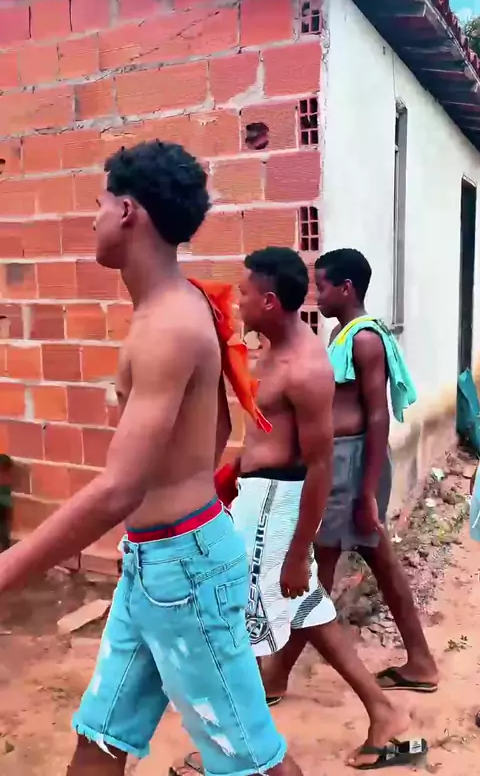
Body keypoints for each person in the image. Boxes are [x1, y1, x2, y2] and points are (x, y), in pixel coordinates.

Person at [0, 142, 302, 776]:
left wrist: (7, 569)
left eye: (100, 203)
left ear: (128, 211)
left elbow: (118, 488)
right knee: (101, 737)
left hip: (183, 570)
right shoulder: (181, 307)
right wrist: (171, 505)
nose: (94, 219)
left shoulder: (168, 325)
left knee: (253, 764)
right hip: (160, 562)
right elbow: (216, 428)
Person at [184, 247, 426, 771]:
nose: (240, 302)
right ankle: (383, 712)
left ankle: (236, 746)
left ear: (270, 301)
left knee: (241, 621)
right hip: (259, 496)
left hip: (275, 505)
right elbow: (265, 427)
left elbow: (320, 464)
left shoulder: (307, 367)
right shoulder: (274, 350)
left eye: (245, 294)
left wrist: (297, 554)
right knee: (307, 610)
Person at [267, 248, 438, 699]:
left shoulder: (364, 340)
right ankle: (420, 660)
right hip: (343, 465)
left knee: (318, 568)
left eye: (322, 286)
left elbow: (377, 417)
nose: (316, 295)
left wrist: (365, 493)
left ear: (346, 288)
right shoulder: (342, 335)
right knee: (373, 559)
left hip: (351, 467)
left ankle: (278, 674)